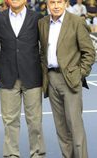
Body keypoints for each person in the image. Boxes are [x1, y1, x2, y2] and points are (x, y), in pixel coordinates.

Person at [38, 0, 95, 157]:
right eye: (52, 2)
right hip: (51, 80)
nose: (56, 6)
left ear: (65, 4)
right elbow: (43, 51)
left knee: (75, 127)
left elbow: (89, 52)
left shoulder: (76, 21)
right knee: (61, 129)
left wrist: (79, 74)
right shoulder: (42, 23)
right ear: (48, 4)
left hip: (70, 80)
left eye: (59, 2)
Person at [0, 0, 46, 157]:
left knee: (35, 121)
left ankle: (37, 154)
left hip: (32, 76)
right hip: (8, 76)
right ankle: (11, 155)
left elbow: (44, 46)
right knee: (10, 122)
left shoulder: (38, 17)